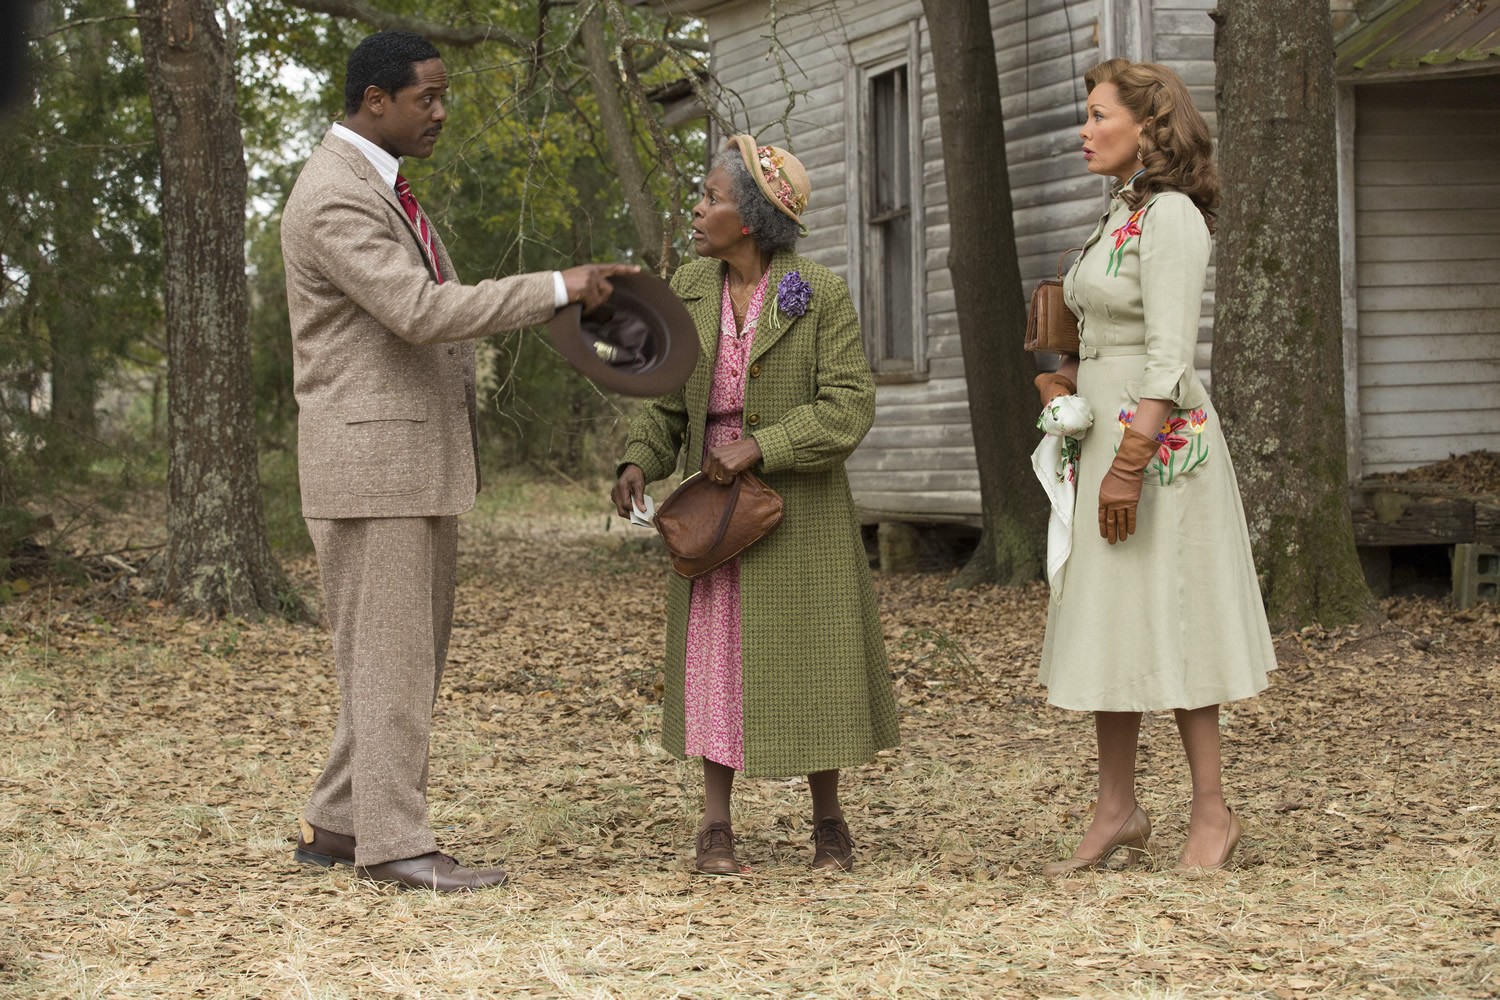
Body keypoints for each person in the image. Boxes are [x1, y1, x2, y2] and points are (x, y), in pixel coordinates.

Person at [282, 29, 635, 892]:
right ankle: (396, 844)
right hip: (375, 470)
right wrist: (558, 286)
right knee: (396, 663)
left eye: (442, 96)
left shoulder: (385, 188)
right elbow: (419, 309)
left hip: (403, 465)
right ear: (376, 100)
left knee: (397, 657)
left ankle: (338, 823)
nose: (441, 112)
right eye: (426, 98)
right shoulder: (335, 195)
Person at [611, 136, 900, 875]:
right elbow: (662, 396)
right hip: (713, 505)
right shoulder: (689, 286)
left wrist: (761, 446)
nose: (698, 209)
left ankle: (829, 823)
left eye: (711, 198)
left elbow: (848, 405)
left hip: (797, 502)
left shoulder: (818, 292)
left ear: (753, 219)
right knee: (716, 655)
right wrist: (640, 458)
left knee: (813, 656)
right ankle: (716, 828)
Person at [1032, 59, 1276, 875]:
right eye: (1086, 114)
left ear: (1149, 126)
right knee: (1110, 615)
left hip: (1158, 444)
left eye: (1099, 115)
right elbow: (1100, 323)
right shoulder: (1119, 215)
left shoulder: (1170, 216)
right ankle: (1117, 808)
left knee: (1174, 612)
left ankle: (1213, 812)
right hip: (1103, 427)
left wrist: (1130, 462)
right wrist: (1065, 380)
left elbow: (1170, 354)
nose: (1084, 128)